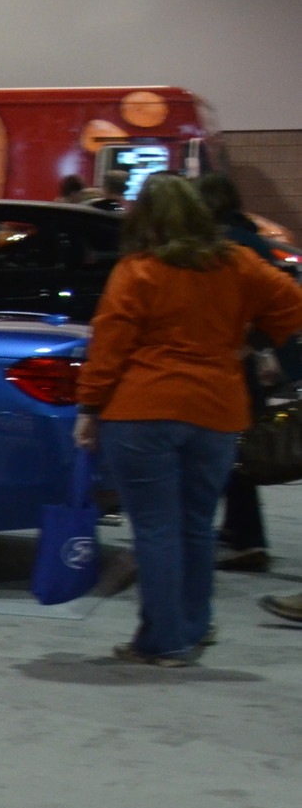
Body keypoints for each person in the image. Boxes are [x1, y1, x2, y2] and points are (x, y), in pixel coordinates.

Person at [74, 173, 302, 665]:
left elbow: (109, 345)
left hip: (142, 411)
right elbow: (292, 305)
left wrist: (90, 407)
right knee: (197, 528)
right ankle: (191, 630)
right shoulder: (238, 262)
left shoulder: (138, 270)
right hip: (216, 412)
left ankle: (163, 640)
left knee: (155, 530)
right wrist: (253, 340)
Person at [198, 171, 289, 571]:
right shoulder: (249, 238)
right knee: (238, 449)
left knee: (236, 452)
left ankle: (249, 542)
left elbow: (285, 303)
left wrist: (252, 344)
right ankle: (239, 531)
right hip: (249, 363)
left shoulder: (232, 248)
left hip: (238, 367)